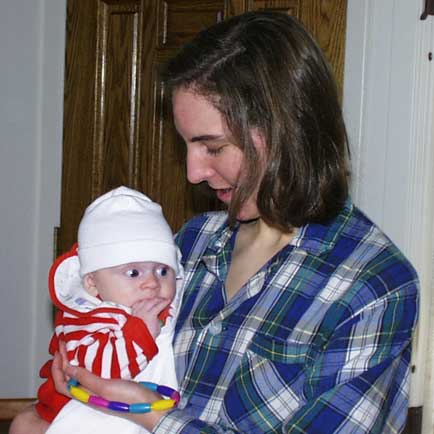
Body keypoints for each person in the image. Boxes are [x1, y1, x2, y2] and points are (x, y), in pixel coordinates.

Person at [12, 11, 419, 434]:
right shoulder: (192, 242)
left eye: (215, 146)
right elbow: (109, 335)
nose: (192, 173)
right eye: (186, 144)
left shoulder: (374, 286)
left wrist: (152, 413)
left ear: (286, 130)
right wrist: (78, 373)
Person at [10, 186, 183, 434]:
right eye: (133, 273)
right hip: (75, 413)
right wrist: (140, 331)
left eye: (163, 270)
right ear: (92, 282)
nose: (153, 283)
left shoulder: (167, 303)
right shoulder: (85, 317)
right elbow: (94, 369)